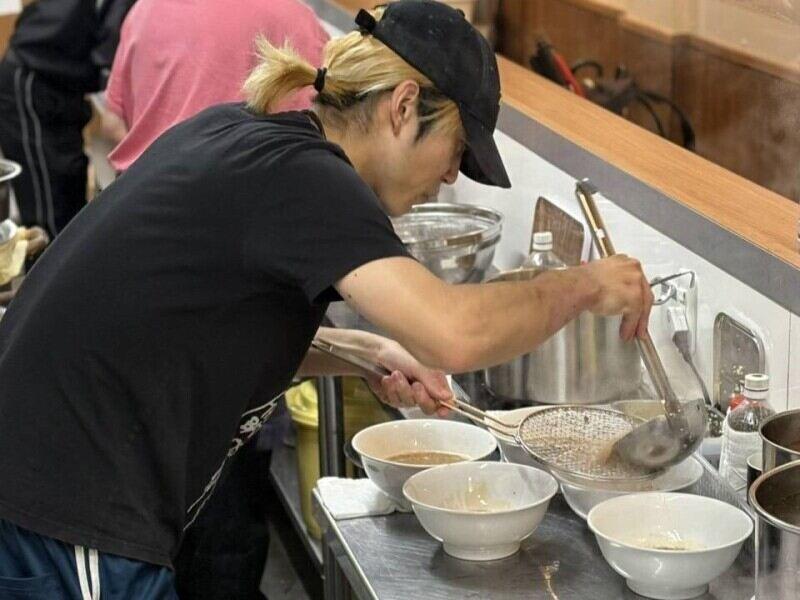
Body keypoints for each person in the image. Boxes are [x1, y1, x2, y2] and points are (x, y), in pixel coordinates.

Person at [0, 1, 653, 597]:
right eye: (457, 150)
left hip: (48, 493)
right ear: (403, 107)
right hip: (64, 515)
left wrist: (361, 353)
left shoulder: (253, 137)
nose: (452, 176)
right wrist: (586, 282)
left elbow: (210, 326)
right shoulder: (310, 181)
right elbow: (453, 334)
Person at [95, 2, 329, 598]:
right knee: (225, 527)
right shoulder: (295, 23)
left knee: (149, 509)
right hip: (233, 297)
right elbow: (318, 153)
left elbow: (119, 121)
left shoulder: (148, 9)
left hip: (134, 274)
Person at [101, 0, 329, 173]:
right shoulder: (297, 23)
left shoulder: (146, 7)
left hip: (134, 203)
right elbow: (315, 142)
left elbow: (112, 124)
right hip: (227, 217)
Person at [0, 0, 135, 238]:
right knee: (50, 225)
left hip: (66, 86)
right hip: (32, 80)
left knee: (72, 201)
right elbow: (112, 122)